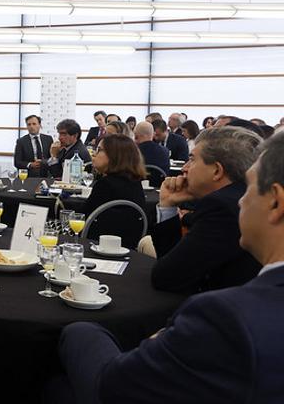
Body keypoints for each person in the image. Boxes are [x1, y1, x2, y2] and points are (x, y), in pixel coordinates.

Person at [57, 131, 284, 404]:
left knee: (74, 343)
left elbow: (115, 385)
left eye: (248, 189)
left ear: (275, 201)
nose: (240, 201)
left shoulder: (224, 316)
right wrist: (166, 208)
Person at [151, 126, 262, 294]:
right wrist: (169, 203)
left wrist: (166, 207)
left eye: (192, 160)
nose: (185, 168)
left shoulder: (221, 207)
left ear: (217, 170)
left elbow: (167, 277)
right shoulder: (252, 196)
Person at [82, 134, 147, 247]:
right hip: (129, 245)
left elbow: (86, 217)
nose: (95, 154)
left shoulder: (105, 185)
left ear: (114, 155)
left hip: (97, 244)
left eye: (99, 150)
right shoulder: (135, 182)